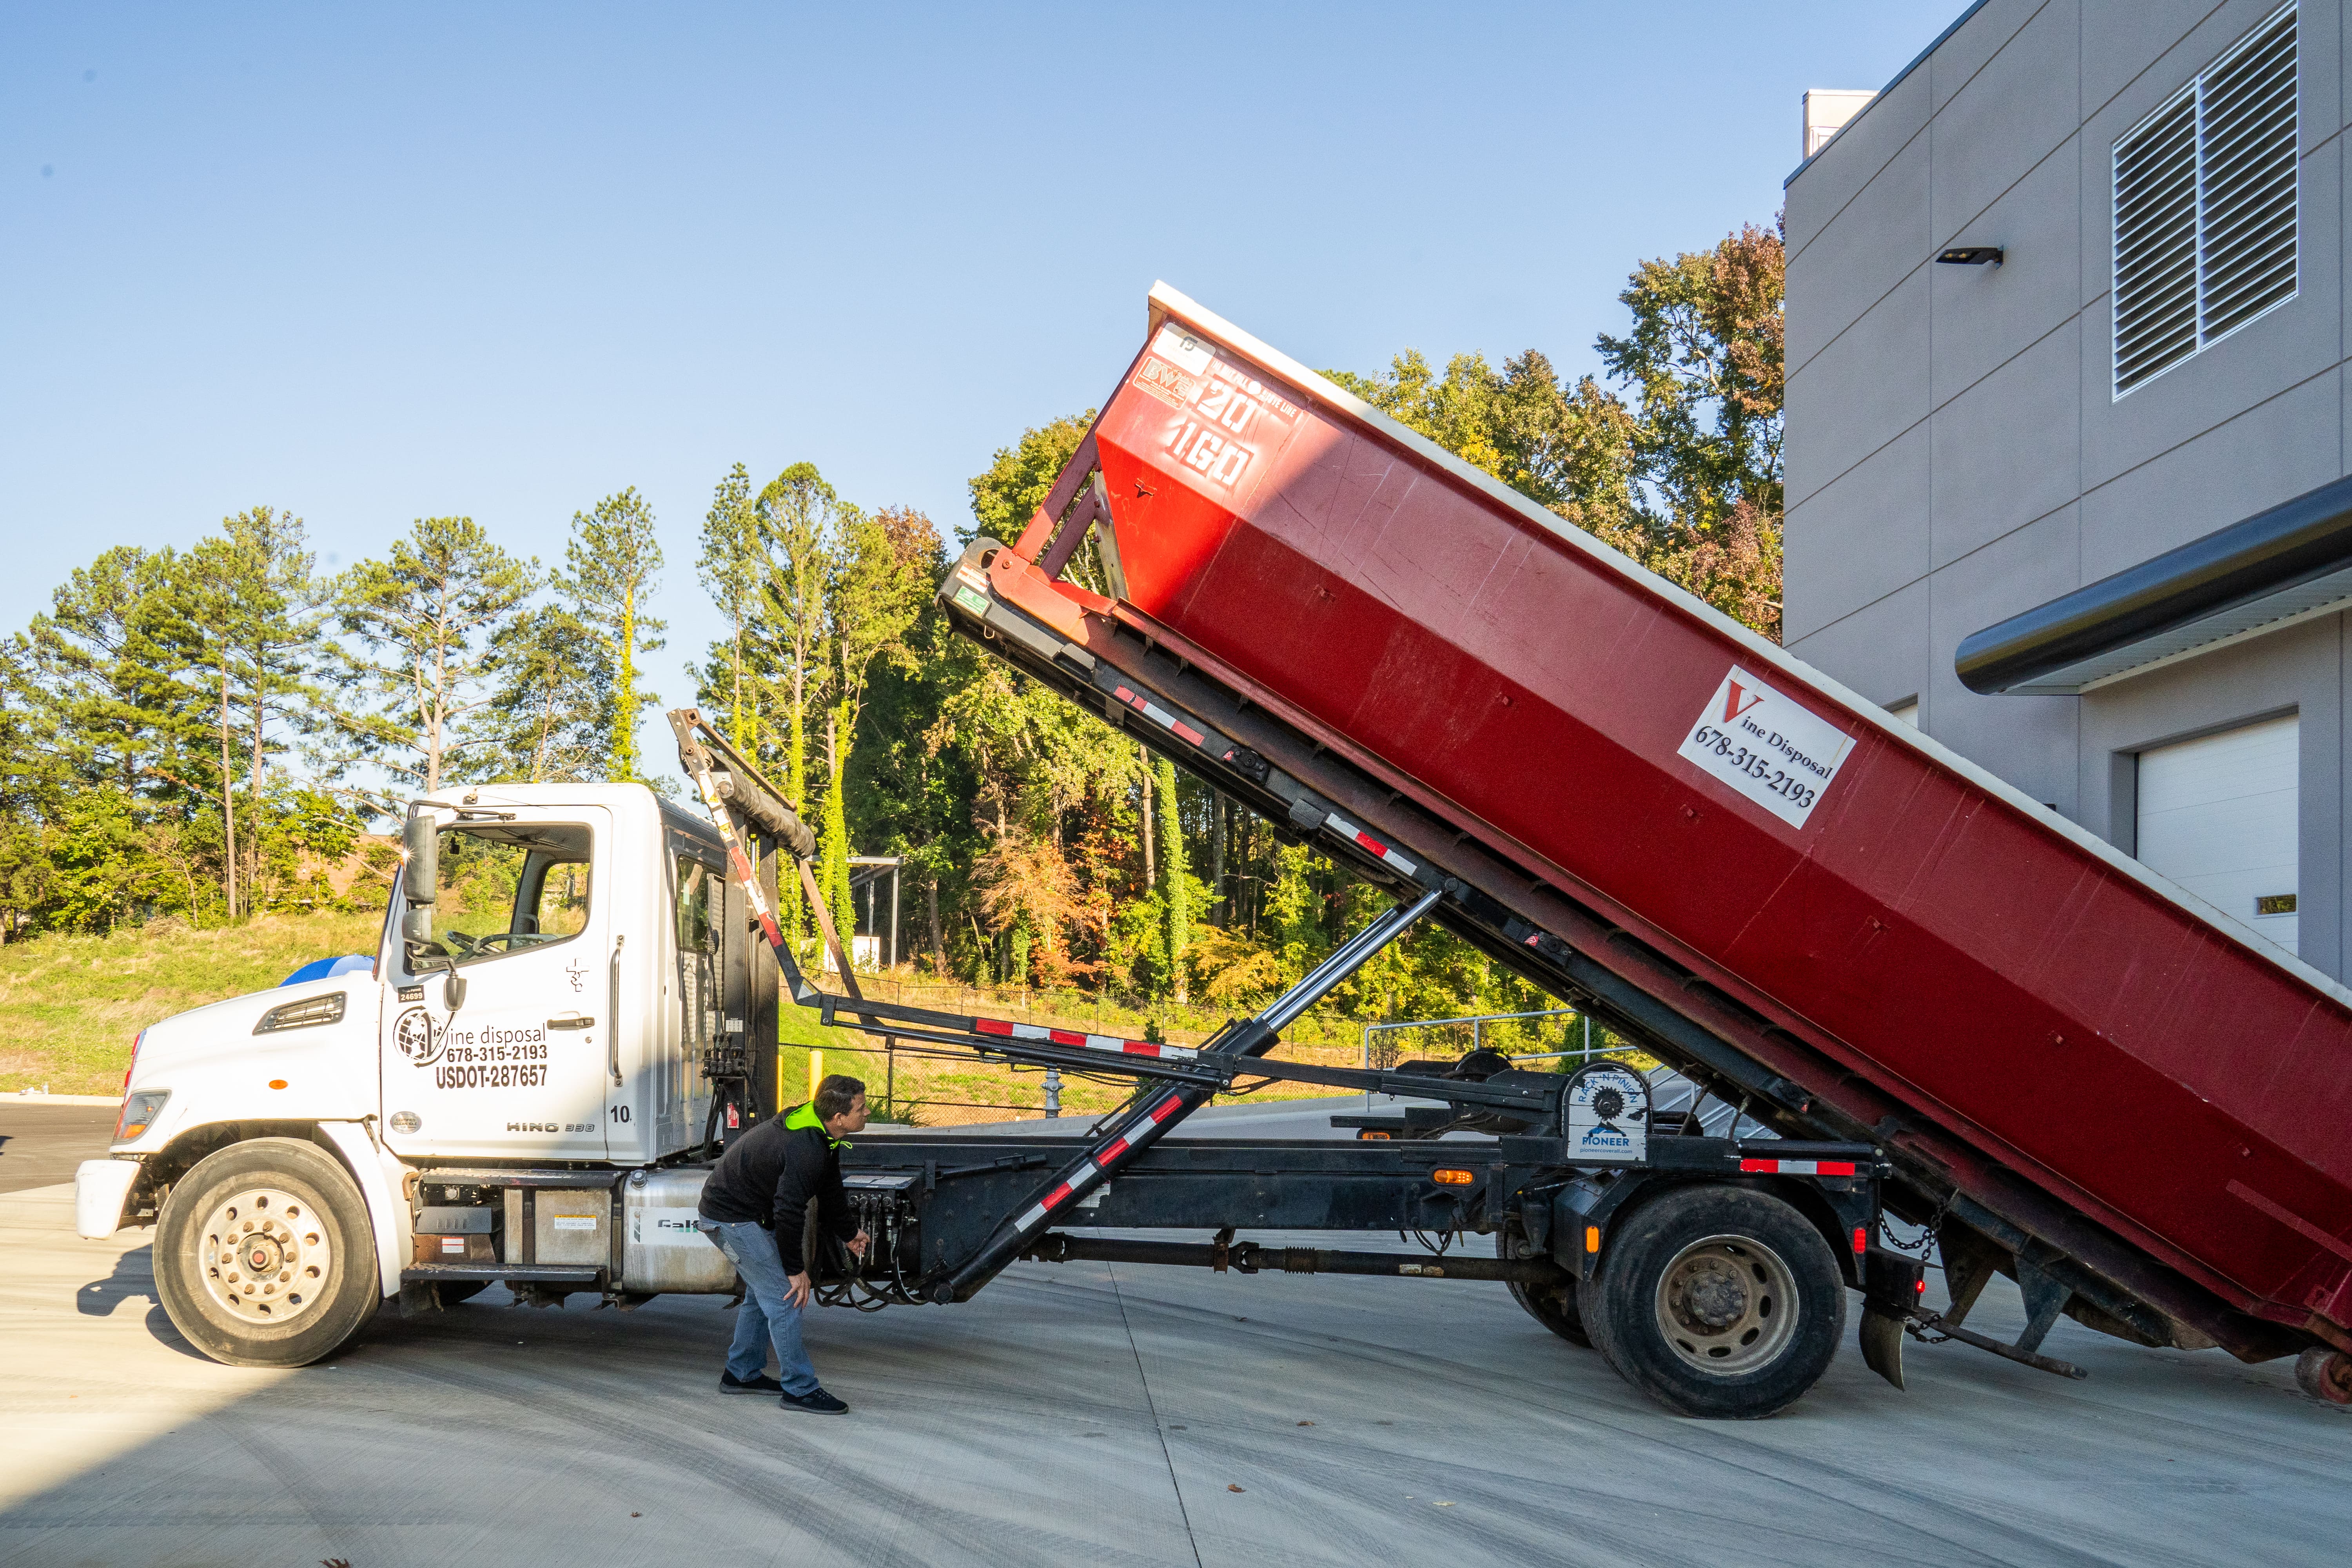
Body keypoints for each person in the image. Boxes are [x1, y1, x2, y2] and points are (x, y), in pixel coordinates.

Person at [697, 1073, 871, 1414]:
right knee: (786, 1298)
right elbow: (790, 1211)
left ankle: (741, 1374)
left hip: (749, 1215)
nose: (867, 1113)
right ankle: (800, 1389)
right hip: (730, 1218)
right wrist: (795, 1270)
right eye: (861, 1108)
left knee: (760, 1296)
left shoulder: (823, 1133)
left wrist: (850, 1234)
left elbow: (830, 1188)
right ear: (839, 1118)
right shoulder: (806, 1146)